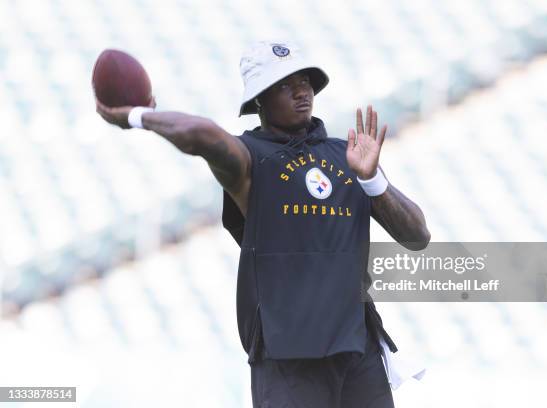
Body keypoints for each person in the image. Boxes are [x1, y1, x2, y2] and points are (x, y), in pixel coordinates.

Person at [95, 41, 430, 408]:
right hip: (287, 359)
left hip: (357, 352)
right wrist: (137, 116)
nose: (302, 91)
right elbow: (203, 135)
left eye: (305, 81)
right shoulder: (249, 159)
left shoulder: (348, 156)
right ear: (259, 100)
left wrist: (372, 181)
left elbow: (417, 236)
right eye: (287, 84)